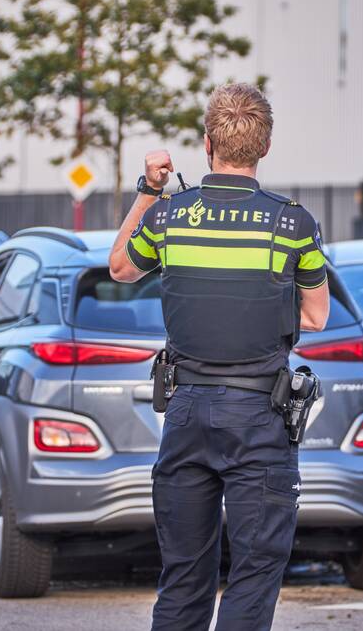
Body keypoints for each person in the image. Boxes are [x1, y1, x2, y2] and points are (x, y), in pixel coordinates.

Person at [108, 83, 330, 631]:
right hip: (259, 416)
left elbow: (119, 267)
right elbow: (316, 316)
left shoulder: (170, 216)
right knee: (254, 575)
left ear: (208, 143)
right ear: (266, 145)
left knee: (183, 577)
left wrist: (147, 190)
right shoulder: (292, 224)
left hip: (186, 414)